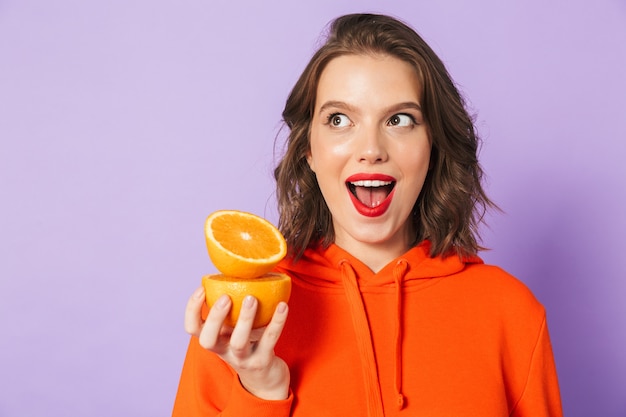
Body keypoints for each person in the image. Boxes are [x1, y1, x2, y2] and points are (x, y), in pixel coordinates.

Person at [173, 13, 563, 416]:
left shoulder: (509, 311)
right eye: (339, 120)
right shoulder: (240, 320)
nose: (371, 148)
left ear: (433, 145)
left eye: (399, 120)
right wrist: (260, 392)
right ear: (309, 148)